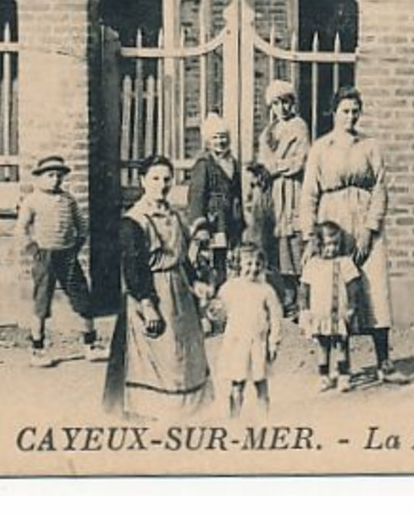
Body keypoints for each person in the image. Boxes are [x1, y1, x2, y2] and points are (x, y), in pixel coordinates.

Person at [300, 87, 412, 385]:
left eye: (355, 110)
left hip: (364, 220)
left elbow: (380, 187)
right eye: (345, 110)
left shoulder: (370, 145)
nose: (350, 116)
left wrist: (370, 228)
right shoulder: (321, 148)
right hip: (332, 221)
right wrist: (310, 235)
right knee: (335, 291)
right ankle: (340, 366)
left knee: (376, 289)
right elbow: (309, 194)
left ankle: (384, 363)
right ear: (334, 112)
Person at [103, 156, 212, 421]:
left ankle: (184, 413)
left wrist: (195, 281)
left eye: (166, 179)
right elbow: (134, 268)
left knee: (183, 354)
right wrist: (148, 305)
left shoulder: (174, 215)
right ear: (142, 181)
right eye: (155, 178)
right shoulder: (134, 221)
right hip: (152, 293)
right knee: (156, 357)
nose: (161, 185)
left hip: (180, 294)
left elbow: (181, 255)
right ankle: (151, 414)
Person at [15, 155, 103, 365]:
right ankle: (37, 349)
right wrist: (34, 250)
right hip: (45, 257)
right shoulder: (32, 200)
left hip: (67, 256)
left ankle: (90, 345)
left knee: (83, 298)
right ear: (39, 178)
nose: (54, 180)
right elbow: (21, 229)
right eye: (50, 175)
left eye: (58, 175)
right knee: (42, 303)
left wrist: (76, 247)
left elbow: (82, 226)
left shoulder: (68, 200)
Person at [258, 80, 311, 316]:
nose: (282, 108)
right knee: (278, 242)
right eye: (277, 104)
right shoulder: (269, 132)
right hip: (274, 191)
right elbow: (263, 160)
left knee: (295, 240)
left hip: (292, 189)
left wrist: (275, 167)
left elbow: (300, 161)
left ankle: (302, 297)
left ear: (292, 103)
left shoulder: (299, 127)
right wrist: (269, 168)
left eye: (286, 102)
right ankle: (286, 294)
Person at [217, 244, 284, 417]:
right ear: (238, 264)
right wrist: (212, 309)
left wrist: (274, 342)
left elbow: (276, 317)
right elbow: (219, 311)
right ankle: (235, 420)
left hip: (258, 344)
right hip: (237, 343)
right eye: (248, 264)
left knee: (260, 383)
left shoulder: (266, 290)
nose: (253, 268)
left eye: (258, 264)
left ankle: (264, 420)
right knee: (237, 384)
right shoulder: (229, 288)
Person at [300, 220, 362, 392]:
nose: (332, 248)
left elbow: (353, 285)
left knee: (341, 343)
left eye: (336, 244)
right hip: (319, 314)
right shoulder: (312, 264)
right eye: (328, 245)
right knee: (322, 344)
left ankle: (343, 375)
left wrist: (352, 306)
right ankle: (324, 376)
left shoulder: (345, 262)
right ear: (319, 244)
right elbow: (304, 288)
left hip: (339, 312)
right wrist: (304, 309)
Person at [186, 113, 243, 286]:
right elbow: (196, 195)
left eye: (224, 137)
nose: (220, 142)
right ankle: (212, 290)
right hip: (213, 219)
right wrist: (199, 224)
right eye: (216, 138)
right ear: (209, 141)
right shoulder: (204, 164)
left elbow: (237, 190)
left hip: (229, 217)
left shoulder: (232, 162)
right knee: (211, 258)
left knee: (228, 257)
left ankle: (225, 288)